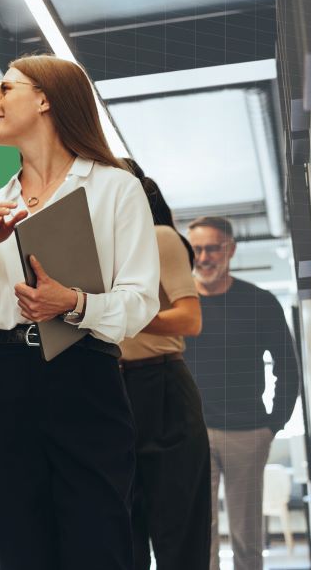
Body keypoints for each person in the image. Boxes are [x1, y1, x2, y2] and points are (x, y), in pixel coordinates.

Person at [0, 54, 160, 570]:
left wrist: (75, 303)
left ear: (44, 98)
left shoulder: (114, 186)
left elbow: (140, 301)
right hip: (3, 380)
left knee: (99, 541)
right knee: (19, 545)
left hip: (84, 372)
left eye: (5, 90)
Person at [184, 216, 301, 570]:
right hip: (192, 434)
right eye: (196, 249)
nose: (203, 257)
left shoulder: (259, 302)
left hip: (248, 433)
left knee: (247, 539)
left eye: (212, 248)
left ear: (230, 249)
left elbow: (288, 367)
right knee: (200, 536)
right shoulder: (179, 305)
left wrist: (272, 426)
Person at [120, 160, 210, 570]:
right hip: (112, 392)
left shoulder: (158, 238)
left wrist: (122, 315)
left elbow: (190, 320)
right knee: (122, 533)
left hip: (161, 387)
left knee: (179, 535)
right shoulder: (97, 247)